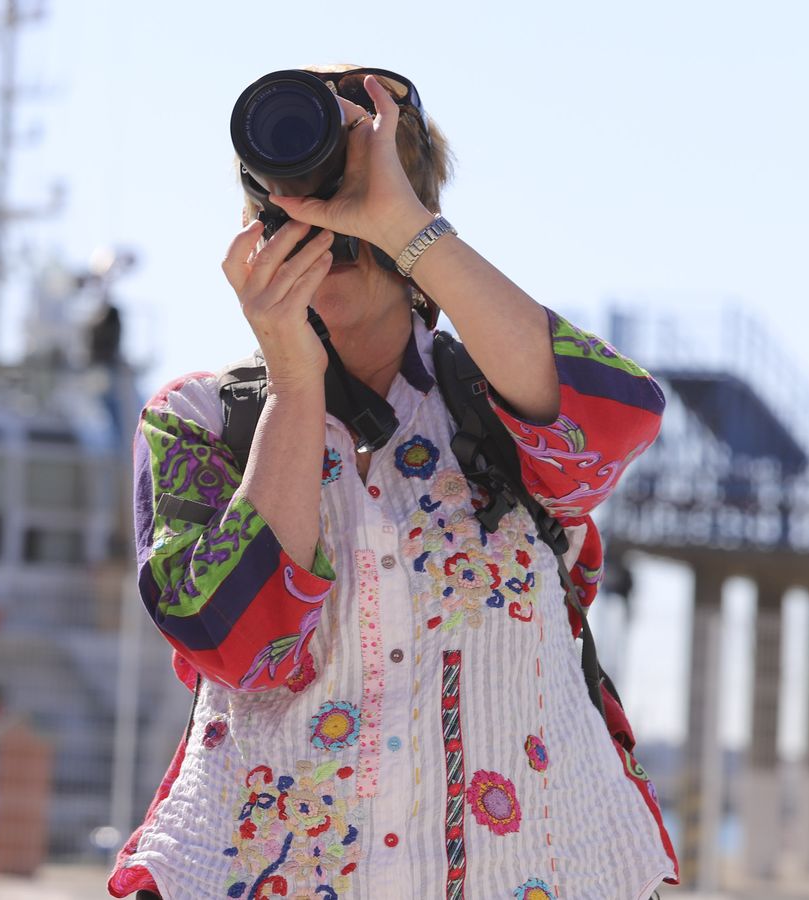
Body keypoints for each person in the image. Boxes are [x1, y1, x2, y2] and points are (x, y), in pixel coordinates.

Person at [109, 67, 677, 900]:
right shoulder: (201, 420)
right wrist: (293, 383)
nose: (324, 217)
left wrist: (403, 227)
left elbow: (618, 421)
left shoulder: (497, 399)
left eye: (352, 185)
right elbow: (239, 645)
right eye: (294, 197)